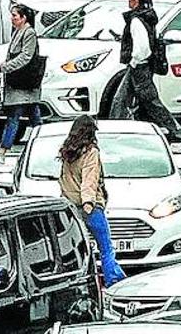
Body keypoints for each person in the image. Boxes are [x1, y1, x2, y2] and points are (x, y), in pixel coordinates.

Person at [114, 0, 181, 149]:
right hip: (143, 66)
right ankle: (131, 136)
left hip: (139, 67)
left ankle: (179, 136)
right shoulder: (148, 18)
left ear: (136, 0)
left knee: (148, 102)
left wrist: (134, 61)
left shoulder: (136, 20)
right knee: (128, 102)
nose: (128, 1)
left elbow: (143, 48)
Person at [58, 115, 126, 286]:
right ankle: (113, 280)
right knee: (105, 248)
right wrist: (88, 202)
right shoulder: (90, 152)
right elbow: (90, 178)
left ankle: (80, 281)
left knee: (75, 248)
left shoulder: (68, 151)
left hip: (70, 207)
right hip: (90, 207)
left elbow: (64, 178)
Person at [0, 4, 43, 160]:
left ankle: (3, 149)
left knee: (14, 116)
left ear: (24, 18)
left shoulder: (29, 33)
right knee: (33, 116)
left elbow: (25, 57)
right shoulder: (18, 32)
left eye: (15, 16)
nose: (12, 19)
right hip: (19, 84)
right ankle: (43, 142)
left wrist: (6, 67)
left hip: (24, 83)